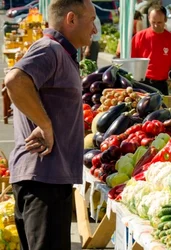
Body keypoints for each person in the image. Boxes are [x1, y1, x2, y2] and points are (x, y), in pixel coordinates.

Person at [4, 0, 96, 248]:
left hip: (47, 181)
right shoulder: (50, 49)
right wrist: (45, 124)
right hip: (43, 183)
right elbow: (14, 80)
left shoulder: (58, 52)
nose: (95, 29)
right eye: (91, 20)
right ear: (71, 19)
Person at [131, 5, 171, 95]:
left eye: (159, 22)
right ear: (148, 19)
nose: (156, 25)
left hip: (161, 84)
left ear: (165, 20)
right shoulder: (139, 37)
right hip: (142, 83)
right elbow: (132, 61)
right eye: (153, 22)